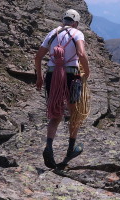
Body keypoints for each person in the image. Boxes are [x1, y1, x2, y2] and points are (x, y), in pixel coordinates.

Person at [35, 9, 90, 168]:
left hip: (52, 75)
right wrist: (87, 70)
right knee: (74, 113)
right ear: (76, 23)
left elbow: (38, 56)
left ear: (63, 20)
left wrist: (39, 77)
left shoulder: (52, 33)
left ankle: (49, 147)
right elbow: (81, 53)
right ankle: (70, 149)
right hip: (71, 76)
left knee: (55, 112)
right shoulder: (77, 33)